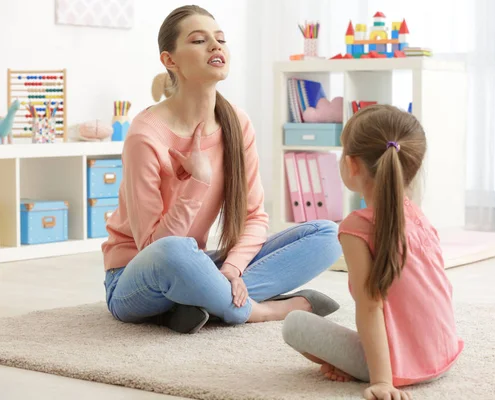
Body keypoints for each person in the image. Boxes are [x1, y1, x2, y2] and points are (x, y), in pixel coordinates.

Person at [102, 5, 342, 334]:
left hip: (198, 265)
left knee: (328, 235)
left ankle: (202, 303)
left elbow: (254, 217)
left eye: (220, 39)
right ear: (169, 60)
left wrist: (232, 269)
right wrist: (197, 181)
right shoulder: (145, 135)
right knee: (175, 251)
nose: (216, 47)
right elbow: (154, 248)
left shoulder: (237, 123)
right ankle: (258, 311)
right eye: (199, 41)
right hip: (135, 277)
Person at [282, 105, 464, 400]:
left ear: (351, 165)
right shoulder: (417, 215)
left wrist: (382, 381)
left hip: (397, 367)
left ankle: (367, 368)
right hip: (443, 353)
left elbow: (370, 306)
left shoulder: (357, 226)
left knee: (295, 324)